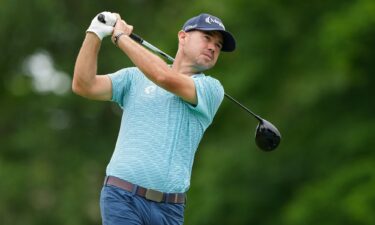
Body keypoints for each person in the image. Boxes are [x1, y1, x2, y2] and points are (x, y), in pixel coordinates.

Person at [72, 11, 236, 225]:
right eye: (207, 38)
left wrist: (121, 38)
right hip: (122, 197)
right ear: (183, 37)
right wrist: (95, 32)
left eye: (219, 45)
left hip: (170, 209)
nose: (213, 47)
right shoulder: (134, 77)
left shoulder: (211, 89)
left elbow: (164, 78)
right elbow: (84, 85)